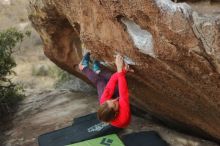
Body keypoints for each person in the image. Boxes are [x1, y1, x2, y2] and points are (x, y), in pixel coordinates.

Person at [79, 52, 131, 128]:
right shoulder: (123, 116)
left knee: (100, 82)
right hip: (122, 113)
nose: (114, 100)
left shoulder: (104, 101)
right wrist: (119, 69)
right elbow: (123, 94)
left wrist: (122, 71)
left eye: (110, 100)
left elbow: (111, 82)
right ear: (116, 113)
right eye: (115, 104)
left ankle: (84, 67)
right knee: (114, 82)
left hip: (108, 102)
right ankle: (95, 71)